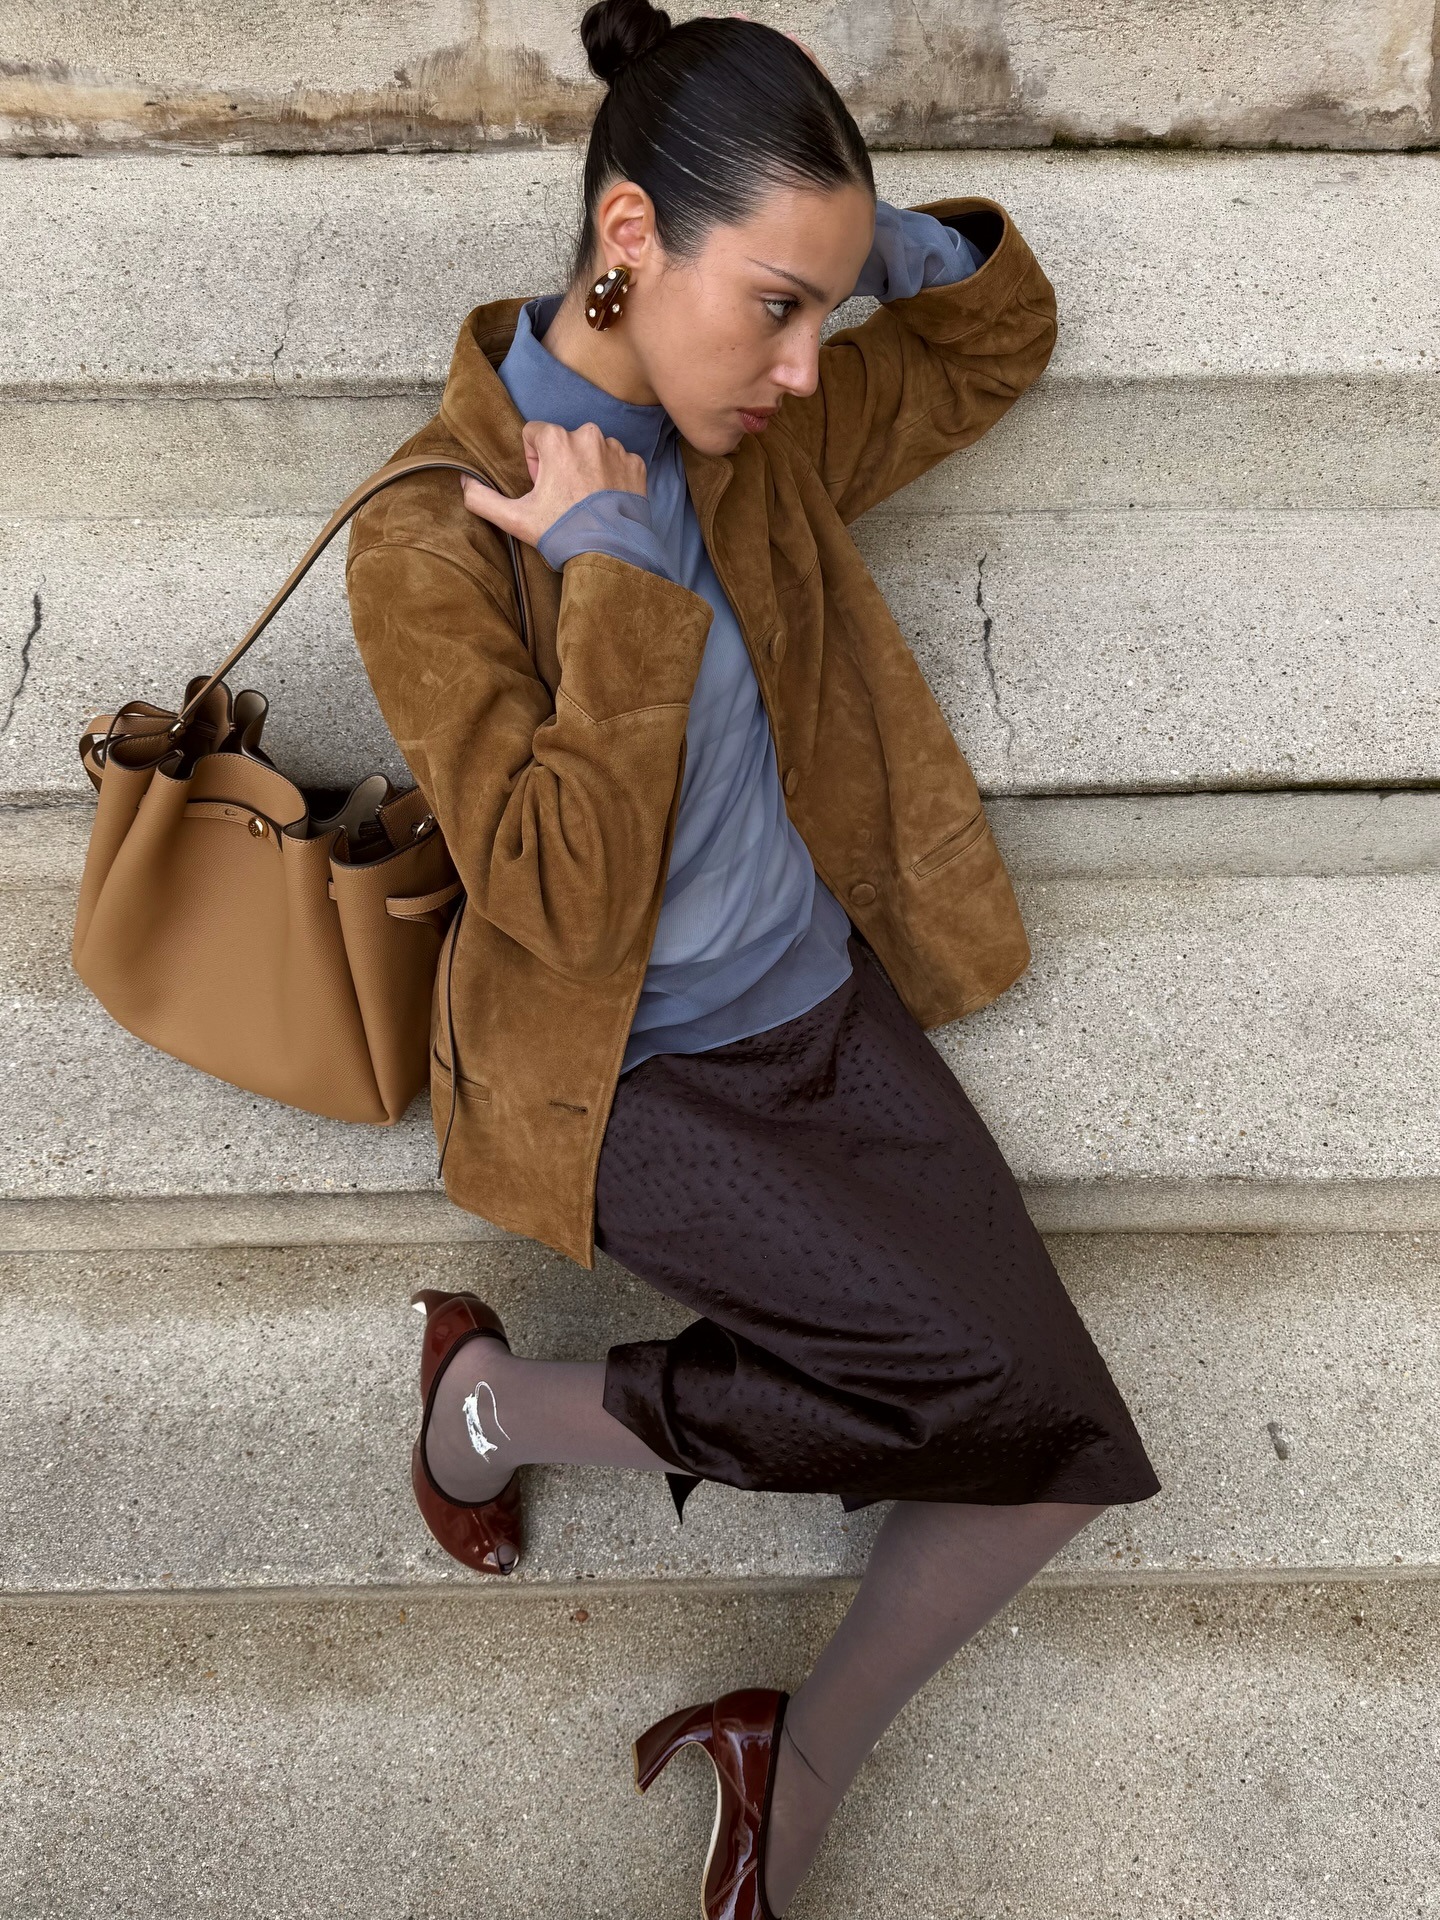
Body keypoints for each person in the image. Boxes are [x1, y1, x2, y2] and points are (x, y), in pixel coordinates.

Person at [345, 3, 1161, 1912]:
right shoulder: (434, 541)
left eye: (827, 307)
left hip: (821, 1014)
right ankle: (500, 1411)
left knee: (1055, 1448)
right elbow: (551, 896)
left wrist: (876, 252)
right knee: (974, 1398)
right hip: (630, 1079)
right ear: (625, 235)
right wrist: (617, 579)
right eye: (775, 305)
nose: (808, 365)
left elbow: (993, 343)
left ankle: (783, 1755)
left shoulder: (755, 435)